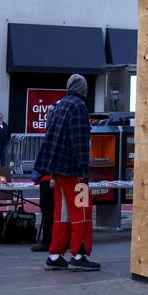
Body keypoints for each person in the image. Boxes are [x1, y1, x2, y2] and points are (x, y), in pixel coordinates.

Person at [35, 74, 100, 272]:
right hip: (74, 170)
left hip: (57, 170)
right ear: (83, 89)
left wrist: (53, 174)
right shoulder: (79, 107)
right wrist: (83, 170)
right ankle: (78, 255)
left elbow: (51, 137)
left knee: (61, 213)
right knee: (82, 211)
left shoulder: (60, 105)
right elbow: (79, 140)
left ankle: (55, 255)